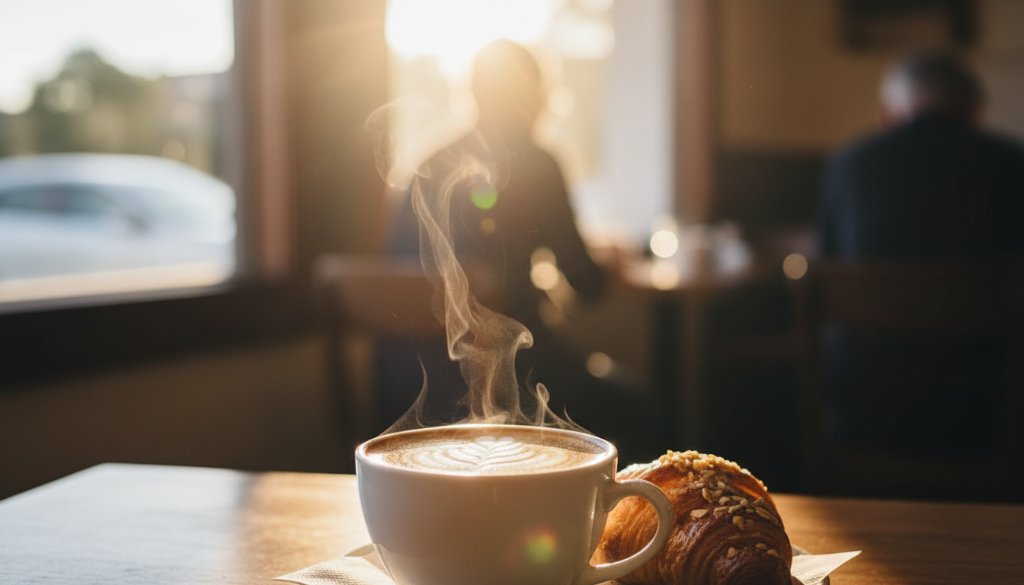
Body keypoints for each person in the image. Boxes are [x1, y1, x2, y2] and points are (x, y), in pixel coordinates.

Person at [377, 41, 657, 459]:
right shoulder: (537, 165)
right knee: (637, 407)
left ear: (472, 93)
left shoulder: (428, 163)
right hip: (512, 376)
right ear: (537, 96)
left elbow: (402, 279)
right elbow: (584, 282)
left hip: (410, 385)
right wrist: (612, 265)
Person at [817, 51, 1024, 454]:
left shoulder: (848, 163)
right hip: (987, 397)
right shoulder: (1011, 164)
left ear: (887, 113)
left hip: (868, 394)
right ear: (974, 110)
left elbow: (828, 260)